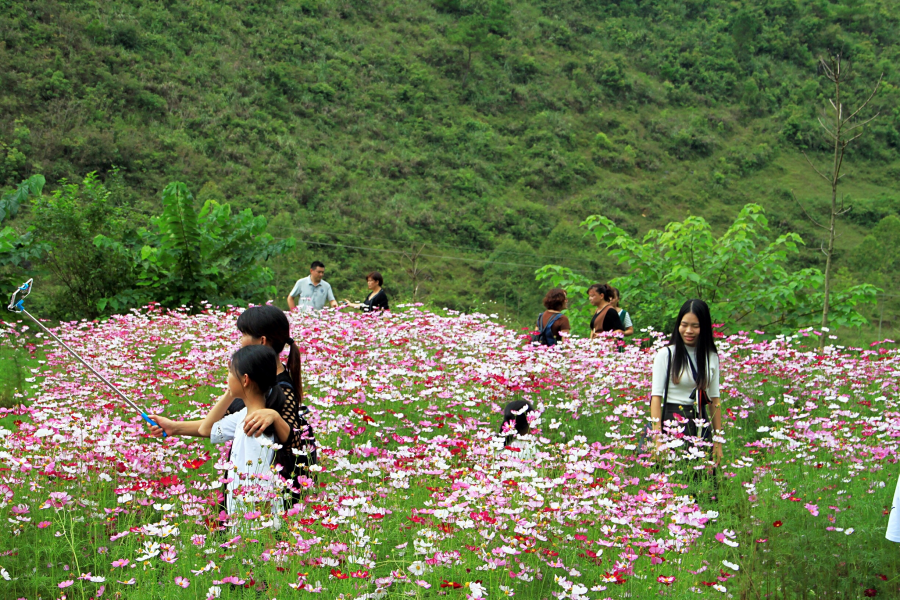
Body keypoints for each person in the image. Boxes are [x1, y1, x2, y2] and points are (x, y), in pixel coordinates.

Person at [148, 305, 317, 498]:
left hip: (267, 492)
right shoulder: (253, 384)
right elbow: (217, 425)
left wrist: (275, 416)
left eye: (243, 334)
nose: (240, 340)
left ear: (261, 341)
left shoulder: (281, 388)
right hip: (242, 486)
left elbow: (292, 442)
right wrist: (174, 427)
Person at [201, 345, 285, 523]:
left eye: (231, 372)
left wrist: (268, 544)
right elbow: (206, 429)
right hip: (246, 520)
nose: (227, 377)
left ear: (245, 379)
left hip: (256, 528)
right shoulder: (245, 415)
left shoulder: (254, 428)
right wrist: (231, 392)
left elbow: (263, 488)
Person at [649, 299, 722, 467]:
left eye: (695, 326)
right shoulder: (666, 354)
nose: (689, 331)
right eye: (684, 324)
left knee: (701, 482)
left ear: (704, 327)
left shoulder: (711, 356)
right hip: (672, 420)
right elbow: (656, 398)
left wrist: (717, 441)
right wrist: (657, 438)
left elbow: (714, 400)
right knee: (674, 480)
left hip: (700, 421)